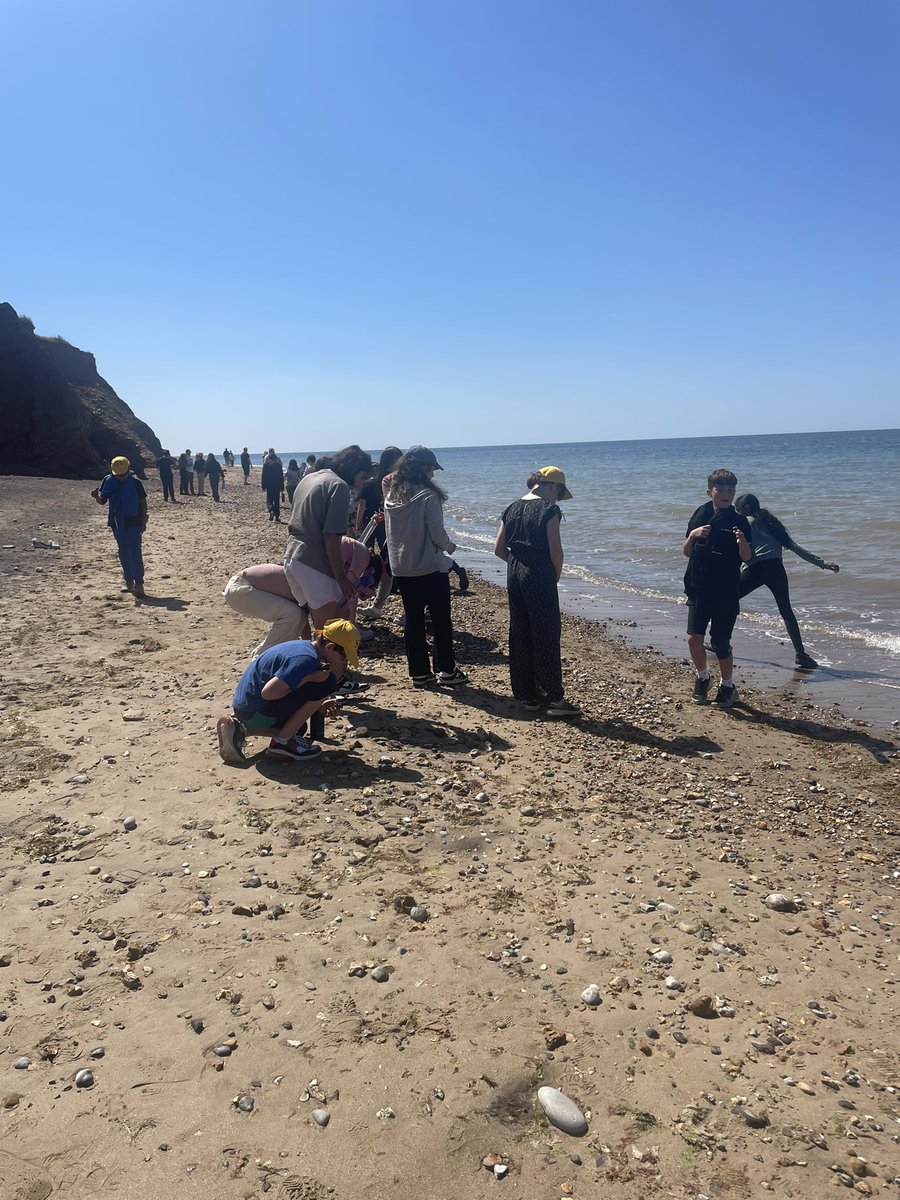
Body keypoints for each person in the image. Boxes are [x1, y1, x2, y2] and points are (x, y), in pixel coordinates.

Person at [493, 466, 580, 717]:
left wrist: (517, 563)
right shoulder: (549, 509)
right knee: (546, 634)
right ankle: (553, 699)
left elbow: (498, 548)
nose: (557, 500)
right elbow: (556, 551)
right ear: (552, 486)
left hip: (514, 570)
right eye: (559, 494)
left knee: (520, 631)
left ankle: (528, 695)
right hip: (539, 573)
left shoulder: (511, 508)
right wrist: (555, 574)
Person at [216, 620, 360, 763]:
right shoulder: (306, 659)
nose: (344, 662)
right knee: (327, 683)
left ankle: (241, 730)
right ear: (330, 647)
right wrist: (310, 678)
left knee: (298, 727)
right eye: (344, 657)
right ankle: (282, 743)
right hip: (256, 713)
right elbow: (269, 693)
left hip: (247, 709)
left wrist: (317, 706)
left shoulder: (305, 647)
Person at [383, 446, 467, 688]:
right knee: (441, 620)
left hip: (402, 566)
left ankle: (419, 673)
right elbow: (437, 534)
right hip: (429, 566)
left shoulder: (393, 495)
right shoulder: (429, 496)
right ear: (422, 468)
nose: (433, 474)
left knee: (414, 619)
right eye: (432, 469)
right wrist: (450, 546)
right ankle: (447, 670)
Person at [735, 494, 840, 670]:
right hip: (776, 569)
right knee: (786, 612)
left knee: (728, 600)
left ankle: (719, 643)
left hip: (755, 569)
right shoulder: (772, 523)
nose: (737, 513)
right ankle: (801, 655)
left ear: (746, 509)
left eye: (738, 510)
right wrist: (822, 564)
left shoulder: (745, 524)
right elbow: (795, 547)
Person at [283, 445, 374, 628]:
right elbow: (331, 537)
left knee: (320, 626)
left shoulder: (310, 478)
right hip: (313, 562)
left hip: (292, 557)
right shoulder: (339, 486)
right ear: (352, 469)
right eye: (362, 478)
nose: (360, 485)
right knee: (334, 626)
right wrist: (341, 578)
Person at [683, 469, 752, 707]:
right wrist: (693, 535)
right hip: (698, 586)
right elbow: (686, 552)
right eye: (720, 490)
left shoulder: (739, 521)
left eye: (730, 490)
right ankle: (703, 677)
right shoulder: (701, 513)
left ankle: (727, 686)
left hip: (726, 589)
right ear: (709, 492)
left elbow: (747, 557)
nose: (726, 494)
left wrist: (742, 543)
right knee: (693, 638)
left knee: (720, 642)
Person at [90, 456, 148, 598]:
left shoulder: (136, 483)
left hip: (134, 520)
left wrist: (143, 522)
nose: (121, 478)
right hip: (116, 521)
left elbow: (143, 503)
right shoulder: (108, 481)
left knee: (135, 551)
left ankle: (139, 583)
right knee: (123, 551)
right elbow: (103, 501)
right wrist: (96, 497)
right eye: (118, 475)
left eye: (123, 475)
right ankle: (129, 581)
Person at [223, 564, 310, 657]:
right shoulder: (306, 587)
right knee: (293, 615)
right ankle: (261, 656)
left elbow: (303, 622)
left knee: (295, 617)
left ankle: (262, 653)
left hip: (237, 588)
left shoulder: (303, 581)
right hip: (240, 588)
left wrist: (310, 648)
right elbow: (310, 620)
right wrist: (311, 650)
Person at [357, 446, 402, 618]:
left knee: (372, 562)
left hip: (375, 523)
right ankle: (377, 604)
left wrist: (358, 522)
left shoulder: (372, 483)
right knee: (389, 567)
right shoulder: (399, 483)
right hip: (390, 527)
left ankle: (372, 599)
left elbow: (362, 504)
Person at [261, 449, 284, 521]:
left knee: (269, 499)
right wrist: (282, 487)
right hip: (277, 485)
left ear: (269, 458)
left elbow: (263, 476)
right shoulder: (278, 466)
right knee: (276, 500)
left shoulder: (266, 465)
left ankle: (271, 510)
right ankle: (277, 516)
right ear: (275, 458)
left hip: (269, 485)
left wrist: (263, 485)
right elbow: (281, 477)